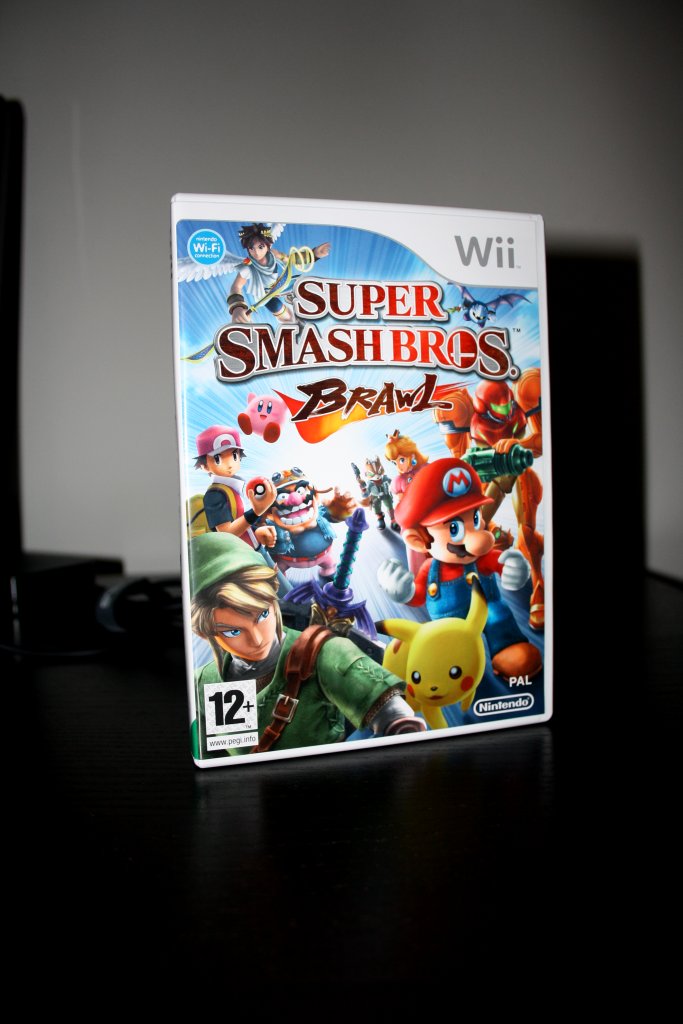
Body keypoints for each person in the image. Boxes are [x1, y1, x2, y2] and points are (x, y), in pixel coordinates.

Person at [190, 533, 425, 758]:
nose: (258, 640)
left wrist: (397, 725)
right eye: (233, 631)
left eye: (262, 615)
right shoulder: (207, 681)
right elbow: (212, 754)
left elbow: (391, 712)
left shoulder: (320, 653)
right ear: (205, 633)